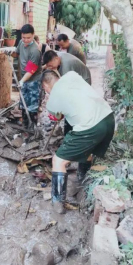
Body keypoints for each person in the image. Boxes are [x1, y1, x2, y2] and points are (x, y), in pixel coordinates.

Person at [42, 70, 115, 214]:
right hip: (108, 118)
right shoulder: (72, 75)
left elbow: (57, 117)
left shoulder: (52, 101)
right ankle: (83, 180)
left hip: (91, 127)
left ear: (46, 86)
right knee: (87, 148)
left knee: (58, 161)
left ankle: (57, 202)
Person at [6, 24, 41, 127]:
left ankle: (32, 127)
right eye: (23, 37)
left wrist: (21, 81)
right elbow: (17, 54)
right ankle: (25, 124)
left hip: (33, 81)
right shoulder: (21, 43)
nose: (25, 40)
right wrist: (10, 53)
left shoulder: (35, 50)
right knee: (23, 103)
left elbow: (31, 70)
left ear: (33, 35)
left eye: (28, 38)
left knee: (32, 105)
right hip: (24, 79)